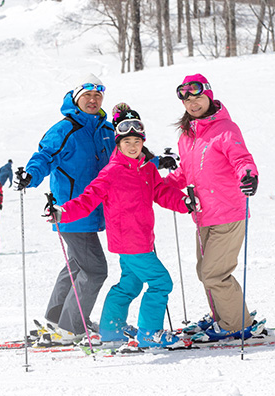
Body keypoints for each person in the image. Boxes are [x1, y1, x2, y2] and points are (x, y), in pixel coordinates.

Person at [46, 106, 196, 348]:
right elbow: (88, 199)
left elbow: (161, 192)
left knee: (131, 283)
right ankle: (150, 333)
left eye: (137, 140)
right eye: (127, 141)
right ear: (118, 142)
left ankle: (111, 328)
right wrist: (63, 212)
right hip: (129, 240)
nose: (133, 146)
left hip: (142, 237)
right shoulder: (111, 172)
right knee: (160, 282)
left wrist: (184, 203)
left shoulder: (146, 167)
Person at [15, 73, 114, 343]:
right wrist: (30, 177)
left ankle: (57, 319)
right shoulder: (65, 128)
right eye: (87, 96)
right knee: (95, 270)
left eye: (98, 96)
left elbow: (128, 155)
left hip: (95, 209)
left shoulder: (106, 131)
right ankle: (71, 328)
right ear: (76, 99)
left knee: (77, 265)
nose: (93, 100)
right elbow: (44, 156)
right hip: (71, 211)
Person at [165, 73, 260, 342]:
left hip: (228, 212)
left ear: (208, 96)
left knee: (214, 273)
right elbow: (186, 172)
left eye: (198, 97)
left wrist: (248, 175)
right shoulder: (188, 136)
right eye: (188, 100)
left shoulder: (226, 129)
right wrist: (160, 186)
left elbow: (242, 159)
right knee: (204, 272)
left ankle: (236, 324)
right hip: (203, 215)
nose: (193, 104)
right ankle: (222, 318)